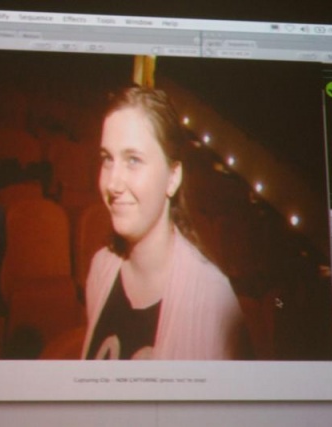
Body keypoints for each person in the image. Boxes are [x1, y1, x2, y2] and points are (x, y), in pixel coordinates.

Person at [81, 86, 247, 360]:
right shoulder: (101, 268)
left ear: (172, 177)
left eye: (133, 160)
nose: (112, 183)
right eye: (107, 159)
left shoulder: (213, 300)